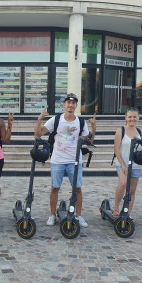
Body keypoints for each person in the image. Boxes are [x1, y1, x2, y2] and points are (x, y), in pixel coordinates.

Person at [35, 93, 96, 228]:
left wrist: (93, 127)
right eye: (68, 102)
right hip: (58, 160)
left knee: (78, 189)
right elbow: (38, 134)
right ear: (64, 105)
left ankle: (78, 216)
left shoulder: (80, 122)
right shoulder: (56, 120)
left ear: (76, 105)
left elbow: (89, 141)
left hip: (75, 161)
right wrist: (40, 119)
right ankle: (52, 215)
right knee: (55, 188)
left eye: (73, 103)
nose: (70, 105)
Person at [112, 107, 142, 217]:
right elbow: (116, 149)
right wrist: (123, 165)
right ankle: (116, 208)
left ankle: (127, 212)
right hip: (122, 162)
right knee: (123, 183)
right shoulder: (120, 131)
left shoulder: (140, 132)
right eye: (130, 117)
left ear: (138, 118)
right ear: (126, 118)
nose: (132, 119)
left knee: (132, 189)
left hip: (136, 164)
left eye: (134, 117)